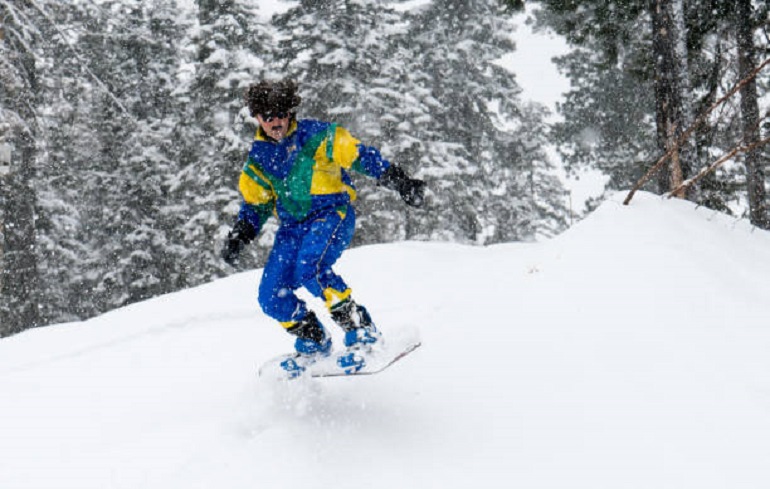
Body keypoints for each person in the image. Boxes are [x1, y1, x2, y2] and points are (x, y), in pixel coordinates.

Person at [221, 79, 425, 375]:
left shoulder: (317, 136)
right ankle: (314, 338)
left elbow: (359, 155)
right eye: (268, 116)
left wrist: (399, 181)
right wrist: (241, 234)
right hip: (292, 228)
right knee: (270, 295)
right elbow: (257, 202)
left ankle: (361, 328)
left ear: (291, 113)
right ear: (257, 118)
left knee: (310, 268)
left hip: (331, 215)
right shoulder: (259, 159)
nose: (275, 122)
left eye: (281, 114)